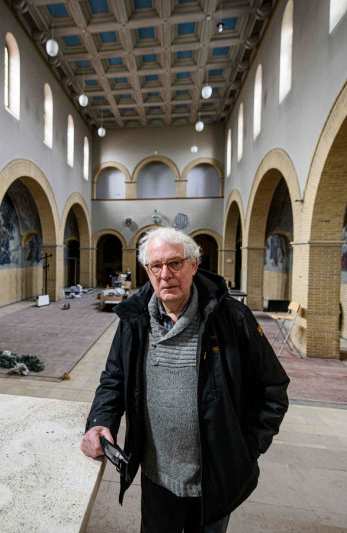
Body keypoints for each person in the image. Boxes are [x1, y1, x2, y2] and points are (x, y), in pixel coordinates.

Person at [80, 227, 289, 532]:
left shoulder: (232, 318)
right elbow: (114, 379)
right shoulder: (133, 321)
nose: (165, 274)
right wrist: (100, 421)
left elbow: (272, 391)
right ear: (147, 271)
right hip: (156, 478)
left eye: (175, 263)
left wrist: (242, 451)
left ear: (193, 265)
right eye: (156, 266)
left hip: (214, 479)